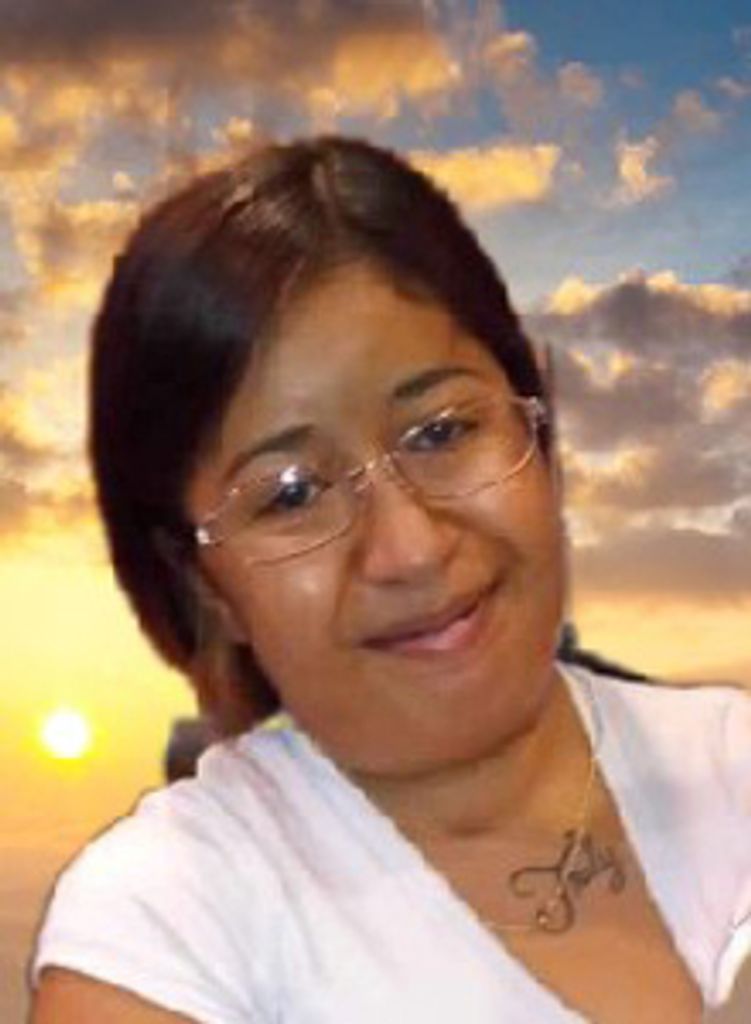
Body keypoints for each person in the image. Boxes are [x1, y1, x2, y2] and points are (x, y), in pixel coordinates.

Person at [29, 136, 750, 1023]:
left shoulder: (731, 763)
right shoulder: (169, 927)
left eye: (442, 431)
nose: (409, 548)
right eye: (290, 495)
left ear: (539, 431)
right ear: (204, 583)